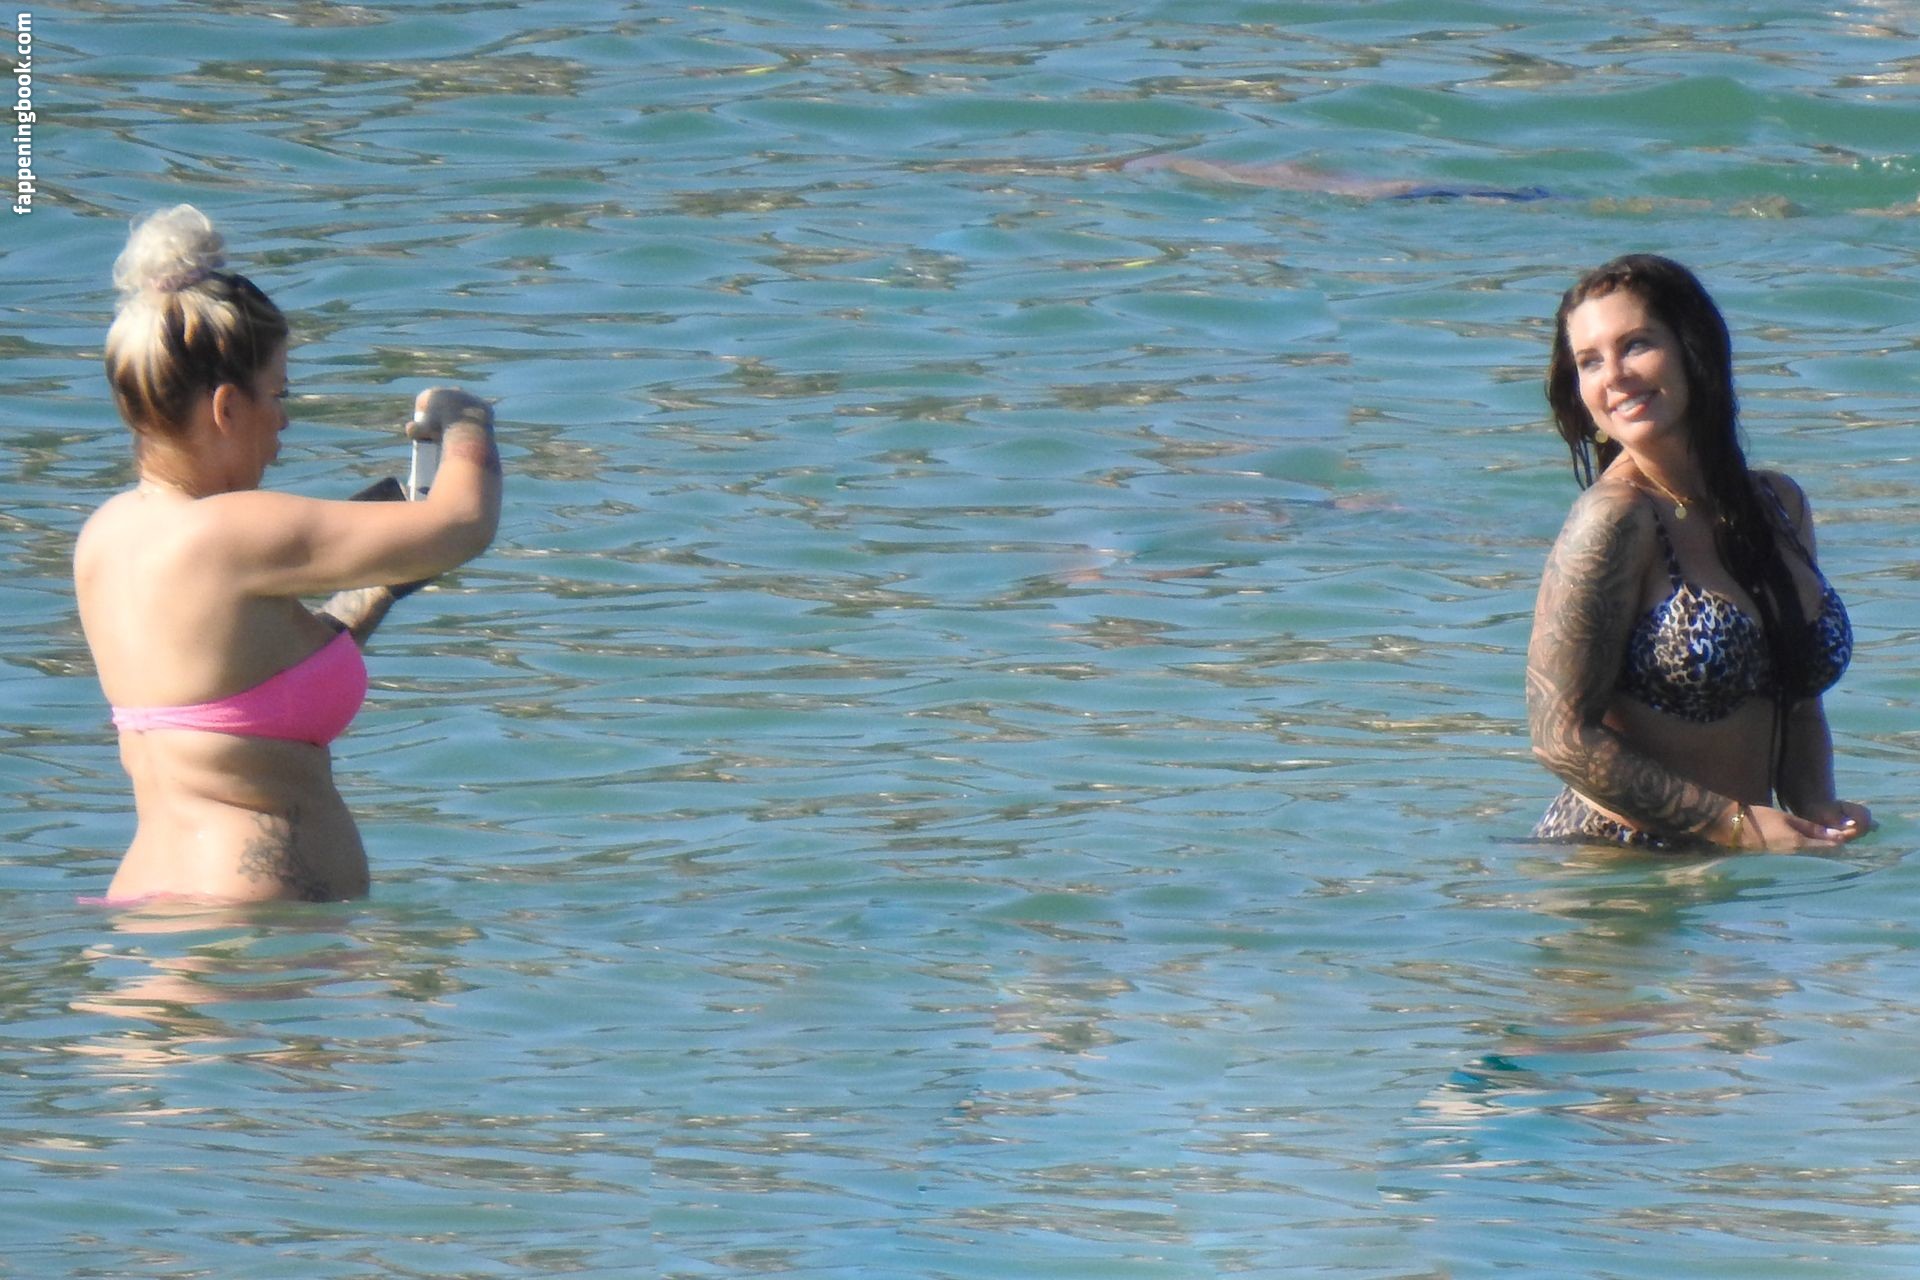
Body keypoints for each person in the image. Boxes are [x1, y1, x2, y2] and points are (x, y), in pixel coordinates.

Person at [75, 204, 503, 903]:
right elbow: (462, 523)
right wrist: (466, 423)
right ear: (225, 409)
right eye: (277, 394)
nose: (284, 420)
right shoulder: (233, 531)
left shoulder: (106, 537)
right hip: (250, 925)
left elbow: (236, 689)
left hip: (144, 905)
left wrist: (373, 592)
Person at [1525, 253, 1870, 852]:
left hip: (1737, 868)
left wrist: (1816, 804)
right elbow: (1560, 738)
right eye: (1589, 361)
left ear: (1694, 349)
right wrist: (1730, 824)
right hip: (1618, 867)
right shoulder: (1615, 520)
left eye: (1635, 345)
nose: (1614, 376)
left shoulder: (1778, 506)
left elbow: (1796, 697)